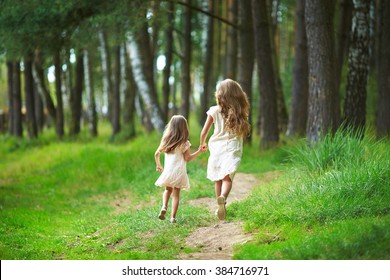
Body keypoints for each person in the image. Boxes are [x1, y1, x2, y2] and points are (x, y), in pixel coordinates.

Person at [200, 79, 251, 220]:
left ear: (220, 94)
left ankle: (219, 206)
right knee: (227, 177)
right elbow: (243, 133)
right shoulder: (241, 112)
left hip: (217, 148)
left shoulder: (214, 111)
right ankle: (223, 197)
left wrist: (202, 143)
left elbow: (204, 132)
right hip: (232, 148)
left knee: (218, 178)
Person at [154, 115, 202, 223]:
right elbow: (187, 158)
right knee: (176, 195)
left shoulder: (166, 141)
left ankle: (164, 207)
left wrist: (158, 165)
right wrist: (199, 151)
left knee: (167, 190)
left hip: (168, 171)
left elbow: (156, 153)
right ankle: (172, 218)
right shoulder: (184, 143)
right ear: (184, 128)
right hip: (179, 172)